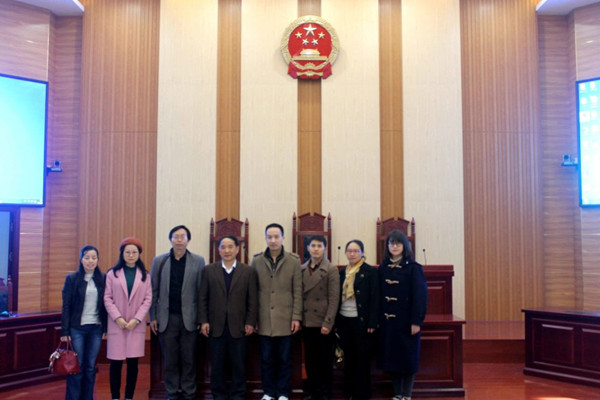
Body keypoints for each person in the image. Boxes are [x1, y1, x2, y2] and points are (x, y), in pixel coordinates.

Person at [199, 235, 258, 400]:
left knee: (239, 365)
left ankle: (238, 395)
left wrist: (250, 322)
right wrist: (203, 321)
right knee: (217, 366)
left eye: (230, 247)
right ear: (218, 250)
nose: (227, 250)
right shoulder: (209, 270)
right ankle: (219, 395)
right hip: (215, 326)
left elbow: (252, 300)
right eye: (223, 247)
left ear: (237, 249)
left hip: (239, 326)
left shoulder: (248, 271)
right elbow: (202, 298)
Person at [150, 225, 205, 400]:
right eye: (176, 236)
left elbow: (201, 292)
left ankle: (189, 393)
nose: (179, 240)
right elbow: (153, 291)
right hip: (167, 318)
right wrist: (153, 317)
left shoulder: (198, 261)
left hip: (190, 318)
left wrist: (201, 318)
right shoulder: (160, 261)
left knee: (189, 359)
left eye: (183, 236)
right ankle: (172, 393)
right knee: (170, 359)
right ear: (170, 239)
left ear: (188, 240)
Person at [252, 223, 302, 400]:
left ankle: (283, 393)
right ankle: (268, 392)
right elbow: (253, 292)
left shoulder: (293, 261)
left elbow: (297, 291)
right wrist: (253, 318)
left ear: (283, 238)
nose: (273, 240)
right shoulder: (257, 261)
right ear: (265, 238)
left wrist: (296, 317)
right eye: (269, 237)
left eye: (276, 236)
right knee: (266, 359)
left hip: (285, 319)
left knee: (284, 359)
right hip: (264, 319)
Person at [378, 230, 428, 400]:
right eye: (391, 243)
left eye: (398, 243)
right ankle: (397, 394)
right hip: (388, 323)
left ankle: (407, 395)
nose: (394, 246)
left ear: (405, 246)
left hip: (407, 322)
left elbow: (420, 297)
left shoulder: (414, 268)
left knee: (408, 359)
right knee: (392, 359)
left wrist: (416, 321)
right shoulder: (383, 268)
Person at [104, 237, 152, 400]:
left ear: (139, 254)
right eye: (127, 252)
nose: (131, 255)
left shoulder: (145, 275)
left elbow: (148, 299)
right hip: (117, 324)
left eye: (134, 252)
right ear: (122, 254)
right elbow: (107, 298)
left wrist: (136, 319)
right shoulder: (112, 274)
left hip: (135, 325)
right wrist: (117, 317)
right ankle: (115, 397)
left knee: (133, 364)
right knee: (115, 364)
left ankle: (129, 397)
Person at [60, 245, 107, 400]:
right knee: (76, 365)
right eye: (87, 258)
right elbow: (66, 306)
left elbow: (107, 305)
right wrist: (64, 331)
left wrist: (105, 328)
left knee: (90, 366)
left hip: (96, 328)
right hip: (77, 328)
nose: (90, 261)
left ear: (98, 260)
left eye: (94, 258)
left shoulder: (103, 278)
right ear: (81, 260)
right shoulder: (72, 279)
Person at [337, 239, 379, 400]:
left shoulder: (370, 272)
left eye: (356, 251)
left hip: (362, 322)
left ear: (362, 252)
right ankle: (349, 393)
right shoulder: (341, 272)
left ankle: (362, 394)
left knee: (362, 360)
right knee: (348, 359)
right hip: (344, 321)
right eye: (349, 251)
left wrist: (373, 322)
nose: (352, 254)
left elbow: (375, 298)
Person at [300, 235, 340, 400]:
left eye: (319, 246)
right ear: (308, 248)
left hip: (323, 322)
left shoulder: (331, 269)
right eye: (313, 246)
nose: (316, 249)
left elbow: (334, 298)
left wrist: (328, 323)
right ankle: (313, 392)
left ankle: (325, 393)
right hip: (307, 322)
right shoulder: (302, 269)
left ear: (324, 248)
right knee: (310, 361)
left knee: (324, 361)